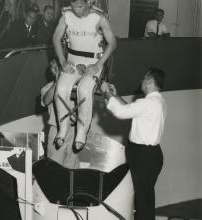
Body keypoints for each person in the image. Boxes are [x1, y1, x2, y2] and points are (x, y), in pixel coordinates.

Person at [101, 68, 166, 220]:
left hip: (143, 157)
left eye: (144, 79)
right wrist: (115, 95)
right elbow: (131, 110)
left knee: (143, 202)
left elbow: (121, 113)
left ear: (149, 82)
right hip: (150, 156)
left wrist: (106, 93)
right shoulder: (157, 101)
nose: (141, 82)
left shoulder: (148, 103)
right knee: (145, 198)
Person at [53, 0, 116, 152]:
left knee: (85, 90)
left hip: (93, 62)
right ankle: (63, 126)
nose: (76, 10)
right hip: (73, 61)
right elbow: (55, 38)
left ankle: (81, 131)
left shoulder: (99, 18)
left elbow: (112, 43)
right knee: (61, 89)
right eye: (73, 6)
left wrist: (98, 65)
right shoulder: (66, 15)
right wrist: (63, 62)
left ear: (89, 2)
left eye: (80, 6)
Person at [40, 60, 79, 168]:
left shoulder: (76, 87)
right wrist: (59, 81)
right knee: (54, 170)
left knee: (72, 169)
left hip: (74, 131)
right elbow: (46, 100)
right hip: (56, 130)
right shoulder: (48, 87)